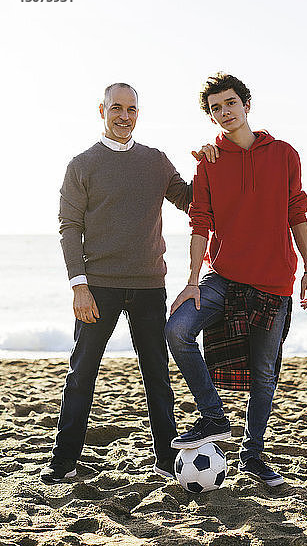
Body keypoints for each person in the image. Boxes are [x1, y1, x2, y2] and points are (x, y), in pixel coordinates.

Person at [40, 82, 216, 484]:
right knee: (82, 371)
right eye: (116, 108)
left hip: (149, 285)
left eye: (131, 108)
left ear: (139, 112)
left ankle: (165, 460)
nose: (124, 115)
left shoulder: (155, 161)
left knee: (157, 372)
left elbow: (192, 200)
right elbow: (70, 227)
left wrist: (210, 162)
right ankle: (62, 461)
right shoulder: (81, 164)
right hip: (98, 285)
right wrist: (78, 286)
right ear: (101, 111)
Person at [166, 73, 307, 486]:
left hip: (273, 282)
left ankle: (253, 455)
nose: (224, 112)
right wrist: (193, 279)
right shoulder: (208, 162)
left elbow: (296, 213)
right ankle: (214, 417)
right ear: (211, 116)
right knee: (178, 329)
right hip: (224, 277)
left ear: (246, 104)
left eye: (230, 103)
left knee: (264, 374)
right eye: (216, 108)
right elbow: (200, 223)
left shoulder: (284, 154)